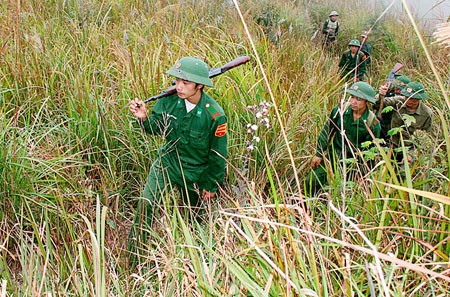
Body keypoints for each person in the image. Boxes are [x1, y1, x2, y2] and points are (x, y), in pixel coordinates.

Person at [128, 57, 228, 248]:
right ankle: (134, 255)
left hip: (196, 172)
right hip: (168, 162)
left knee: (195, 219)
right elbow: (155, 128)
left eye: (186, 82)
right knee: (146, 204)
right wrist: (143, 118)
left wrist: (211, 185)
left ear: (199, 85)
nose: (179, 86)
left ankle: (194, 258)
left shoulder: (214, 115)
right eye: (177, 81)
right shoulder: (169, 101)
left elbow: (217, 154)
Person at [305, 82, 381, 195]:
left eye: (358, 99)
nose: (353, 102)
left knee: (347, 193)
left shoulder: (372, 123)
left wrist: (363, 174)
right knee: (311, 181)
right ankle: (308, 207)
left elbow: (371, 152)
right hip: (334, 156)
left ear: (367, 102)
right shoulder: (340, 110)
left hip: (354, 163)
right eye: (352, 97)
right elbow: (327, 131)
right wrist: (319, 154)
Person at [375, 81, 432, 162]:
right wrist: (381, 95)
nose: (410, 101)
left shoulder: (426, 114)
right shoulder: (398, 102)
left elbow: (425, 138)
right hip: (391, 144)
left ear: (419, 99)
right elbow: (379, 104)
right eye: (407, 97)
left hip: (410, 149)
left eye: (414, 99)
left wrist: (412, 154)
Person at [374, 75, 411, 141]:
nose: (397, 91)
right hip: (383, 123)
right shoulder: (389, 91)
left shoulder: (408, 98)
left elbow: (392, 101)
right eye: (396, 88)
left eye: (400, 89)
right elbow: (375, 104)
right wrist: (381, 95)